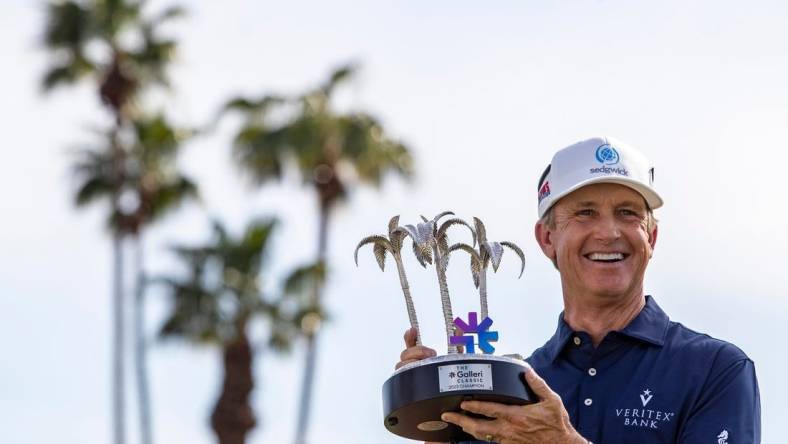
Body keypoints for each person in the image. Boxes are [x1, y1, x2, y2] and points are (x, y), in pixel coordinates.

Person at [396, 136, 761, 444]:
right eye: (585, 213)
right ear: (547, 238)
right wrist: (435, 414)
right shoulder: (509, 386)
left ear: (651, 236)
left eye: (628, 213)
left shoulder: (716, 370)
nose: (609, 232)